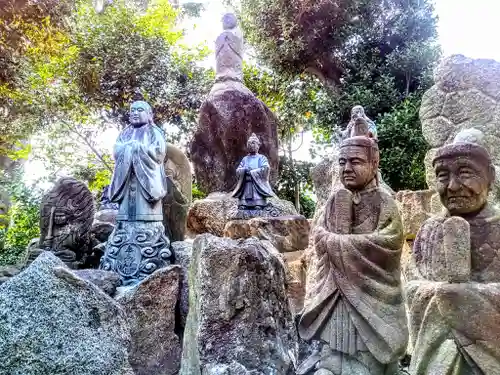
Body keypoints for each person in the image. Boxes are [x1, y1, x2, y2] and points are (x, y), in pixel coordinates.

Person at [298, 136, 407, 375]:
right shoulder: (333, 202)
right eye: (342, 162)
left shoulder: (384, 202)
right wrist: (331, 241)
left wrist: (337, 243)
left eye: (355, 161)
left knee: (368, 358)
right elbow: (319, 237)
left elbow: (388, 244)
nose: (347, 168)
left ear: (374, 163)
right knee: (332, 353)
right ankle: (332, 360)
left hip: (372, 293)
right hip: (336, 293)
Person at [406, 136, 500, 374]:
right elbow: (411, 287)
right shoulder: (429, 231)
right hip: (440, 355)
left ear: (490, 176)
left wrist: (465, 297)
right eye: (443, 176)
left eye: (466, 173)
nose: (453, 186)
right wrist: (438, 293)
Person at [231, 133, 274, 210]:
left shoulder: (261, 158)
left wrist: (253, 172)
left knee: (258, 204)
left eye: (253, 143)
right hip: (246, 183)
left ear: (258, 145)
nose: (251, 145)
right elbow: (238, 170)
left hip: (257, 183)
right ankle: (244, 203)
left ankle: (259, 203)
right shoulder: (245, 159)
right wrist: (244, 170)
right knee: (242, 205)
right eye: (249, 144)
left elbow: (266, 168)